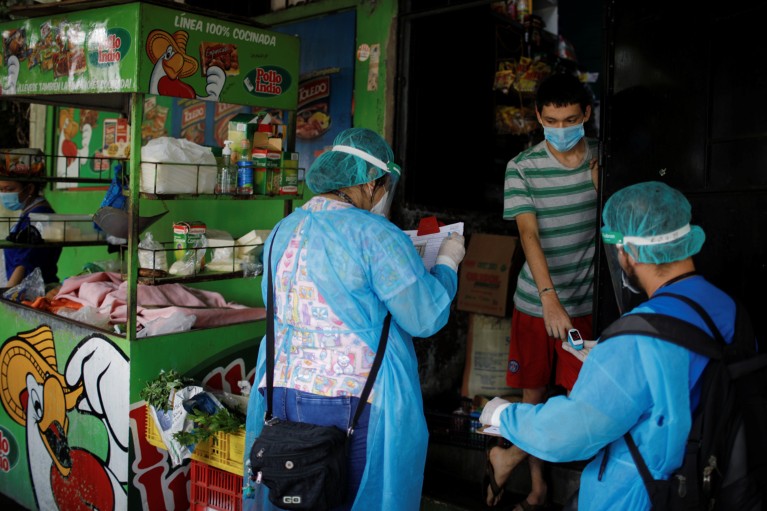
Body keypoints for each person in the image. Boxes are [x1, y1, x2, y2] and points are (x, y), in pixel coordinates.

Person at [243, 127, 466, 511]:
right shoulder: (375, 234)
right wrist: (447, 262)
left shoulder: (283, 230)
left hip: (281, 391)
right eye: (383, 187)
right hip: (352, 400)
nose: (382, 196)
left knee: (297, 497)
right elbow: (424, 317)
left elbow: (275, 303)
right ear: (369, 183)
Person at [480, 181, 737, 510]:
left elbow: (570, 434)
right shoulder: (729, 309)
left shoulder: (636, 338)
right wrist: (606, 352)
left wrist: (506, 416)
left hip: (640, 496)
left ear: (629, 252)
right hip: (709, 486)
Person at [491, 72, 598, 509]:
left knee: (582, 400)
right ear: (537, 117)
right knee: (533, 394)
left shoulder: (601, 163)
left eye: (570, 119)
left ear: (586, 115)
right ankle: (538, 490)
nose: (560, 129)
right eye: (551, 121)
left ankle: (510, 455)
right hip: (537, 305)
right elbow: (529, 236)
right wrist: (550, 300)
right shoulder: (521, 169)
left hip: (587, 303)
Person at [0, 179, 62, 288]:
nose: (4, 194)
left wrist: (7, 292)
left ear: (30, 189)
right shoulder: (28, 213)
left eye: (10, 189)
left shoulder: (39, 215)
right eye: (1, 189)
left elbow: (24, 261)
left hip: (33, 291)